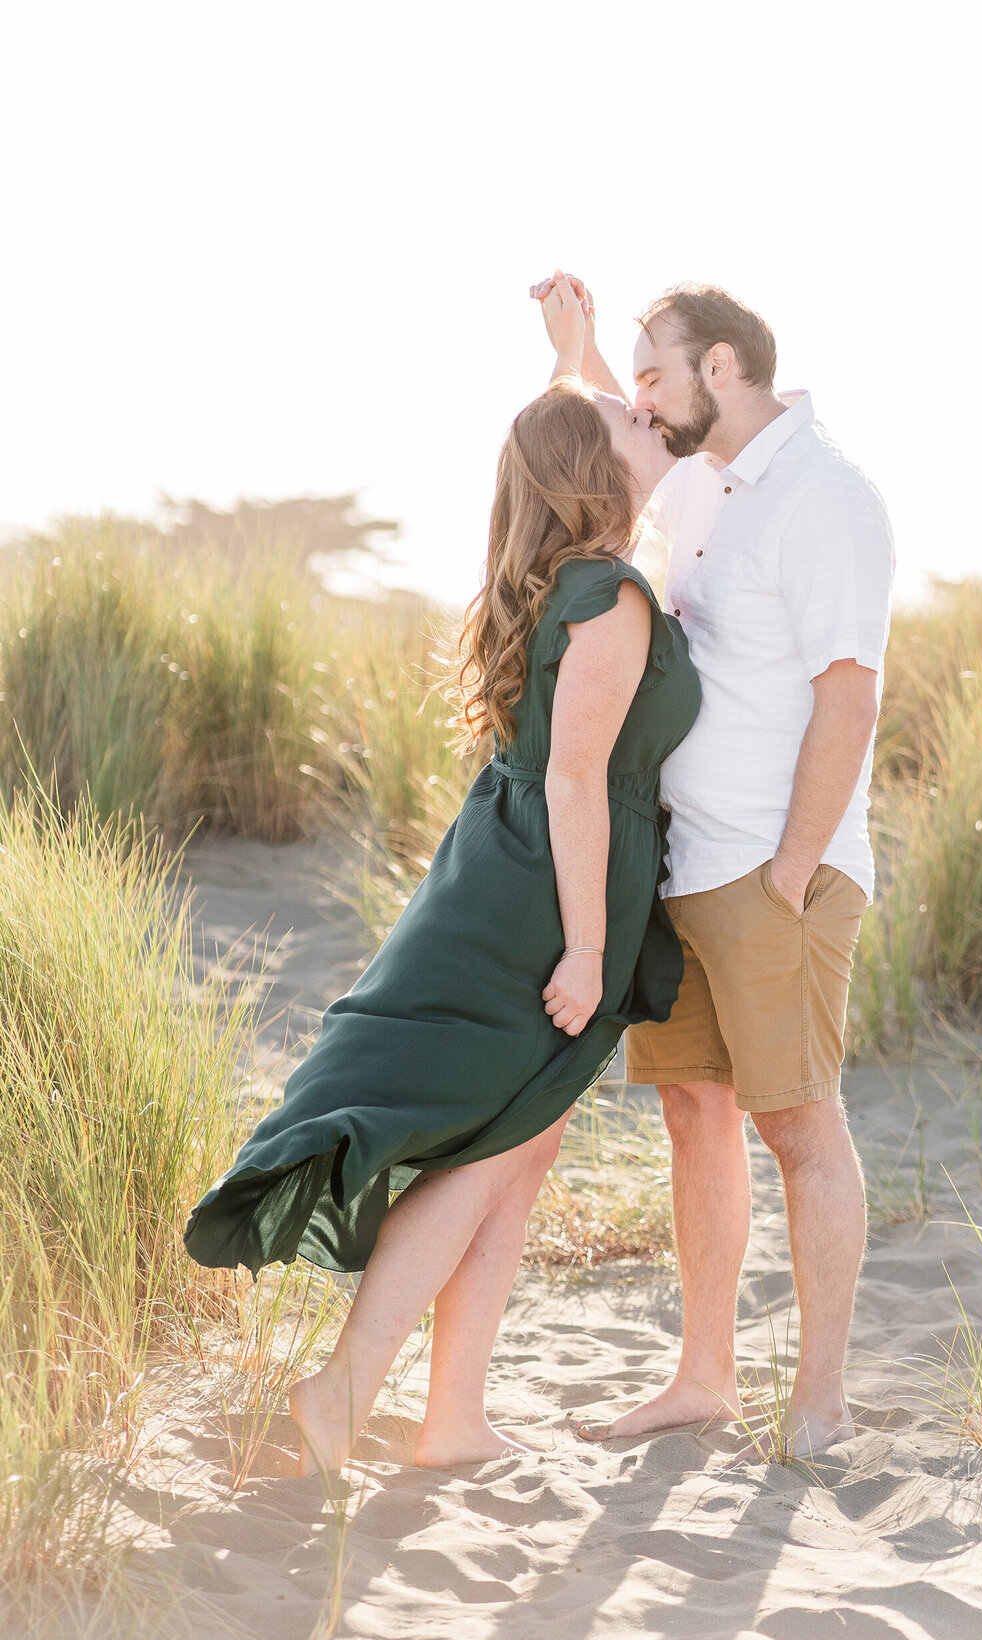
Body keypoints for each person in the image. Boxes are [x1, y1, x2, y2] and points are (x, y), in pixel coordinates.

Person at [184, 273, 700, 1476]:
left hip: (509, 874)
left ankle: (450, 1417)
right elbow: (579, 784)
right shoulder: (612, 598)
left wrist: (575, 355)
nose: (648, 419)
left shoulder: (566, 574)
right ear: (599, 473)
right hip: (543, 905)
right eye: (627, 418)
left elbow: (591, 441)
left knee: (512, 1156)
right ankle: (341, 1395)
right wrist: (584, 949)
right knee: (481, 1159)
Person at [530, 275, 894, 1462]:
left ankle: (822, 1404)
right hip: (687, 869)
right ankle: (705, 1377)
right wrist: (578, 353)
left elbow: (851, 694)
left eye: (654, 374)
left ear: (723, 368)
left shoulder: (824, 495)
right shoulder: (700, 476)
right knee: (698, 1111)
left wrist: (794, 865)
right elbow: (599, 438)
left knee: (799, 1124)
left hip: (772, 872)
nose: (640, 398)